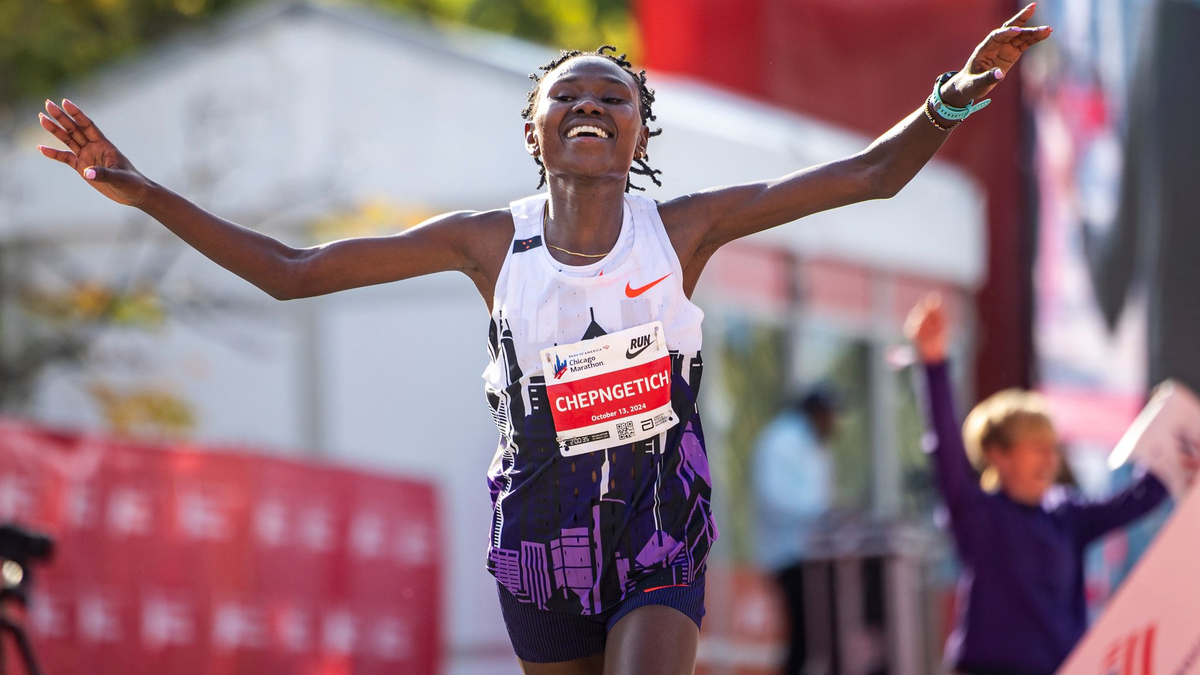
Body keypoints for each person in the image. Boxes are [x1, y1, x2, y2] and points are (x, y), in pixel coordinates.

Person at [35, 8, 1050, 673]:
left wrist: (953, 94)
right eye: (569, 95)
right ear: (535, 129)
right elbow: (293, 271)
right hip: (538, 538)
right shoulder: (487, 241)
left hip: (657, 526)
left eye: (615, 99)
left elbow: (868, 177)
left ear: (640, 136)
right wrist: (143, 190)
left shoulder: (682, 229)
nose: (592, 107)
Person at [905, 293, 1171, 675]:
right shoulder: (977, 514)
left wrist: (1173, 434)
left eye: (1053, 449)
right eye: (1036, 448)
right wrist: (934, 364)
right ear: (998, 454)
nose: (1050, 460)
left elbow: (1141, 498)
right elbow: (944, 445)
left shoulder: (1068, 515)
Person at [752, 388, 838, 675]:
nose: (833, 423)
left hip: (811, 556)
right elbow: (775, 498)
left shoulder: (814, 445)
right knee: (802, 641)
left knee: (814, 641)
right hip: (791, 556)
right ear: (816, 413)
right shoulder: (782, 440)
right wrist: (820, 512)